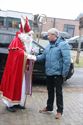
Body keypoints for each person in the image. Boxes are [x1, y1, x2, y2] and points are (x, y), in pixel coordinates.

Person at [0, 16, 36, 112]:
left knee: (22, 86)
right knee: (13, 85)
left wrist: (31, 52)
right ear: (24, 34)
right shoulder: (16, 41)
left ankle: (18, 103)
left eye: (30, 35)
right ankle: (9, 104)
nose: (30, 37)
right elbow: (17, 53)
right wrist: (27, 56)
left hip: (23, 70)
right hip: (15, 70)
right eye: (28, 35)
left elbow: (26, 51)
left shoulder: (26, 42)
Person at [36, 28, 71, 119]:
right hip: (49, 73)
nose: (47, 36)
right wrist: (33, 57)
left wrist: (64, 73)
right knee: (50, 91)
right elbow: (43, 56)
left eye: (49, 35)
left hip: (58, 74)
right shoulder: (48, 46)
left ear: (54, 35)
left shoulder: (63, 45)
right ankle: (49, 107)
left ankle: (59, 111)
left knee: (58, 92)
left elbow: (67, 61)